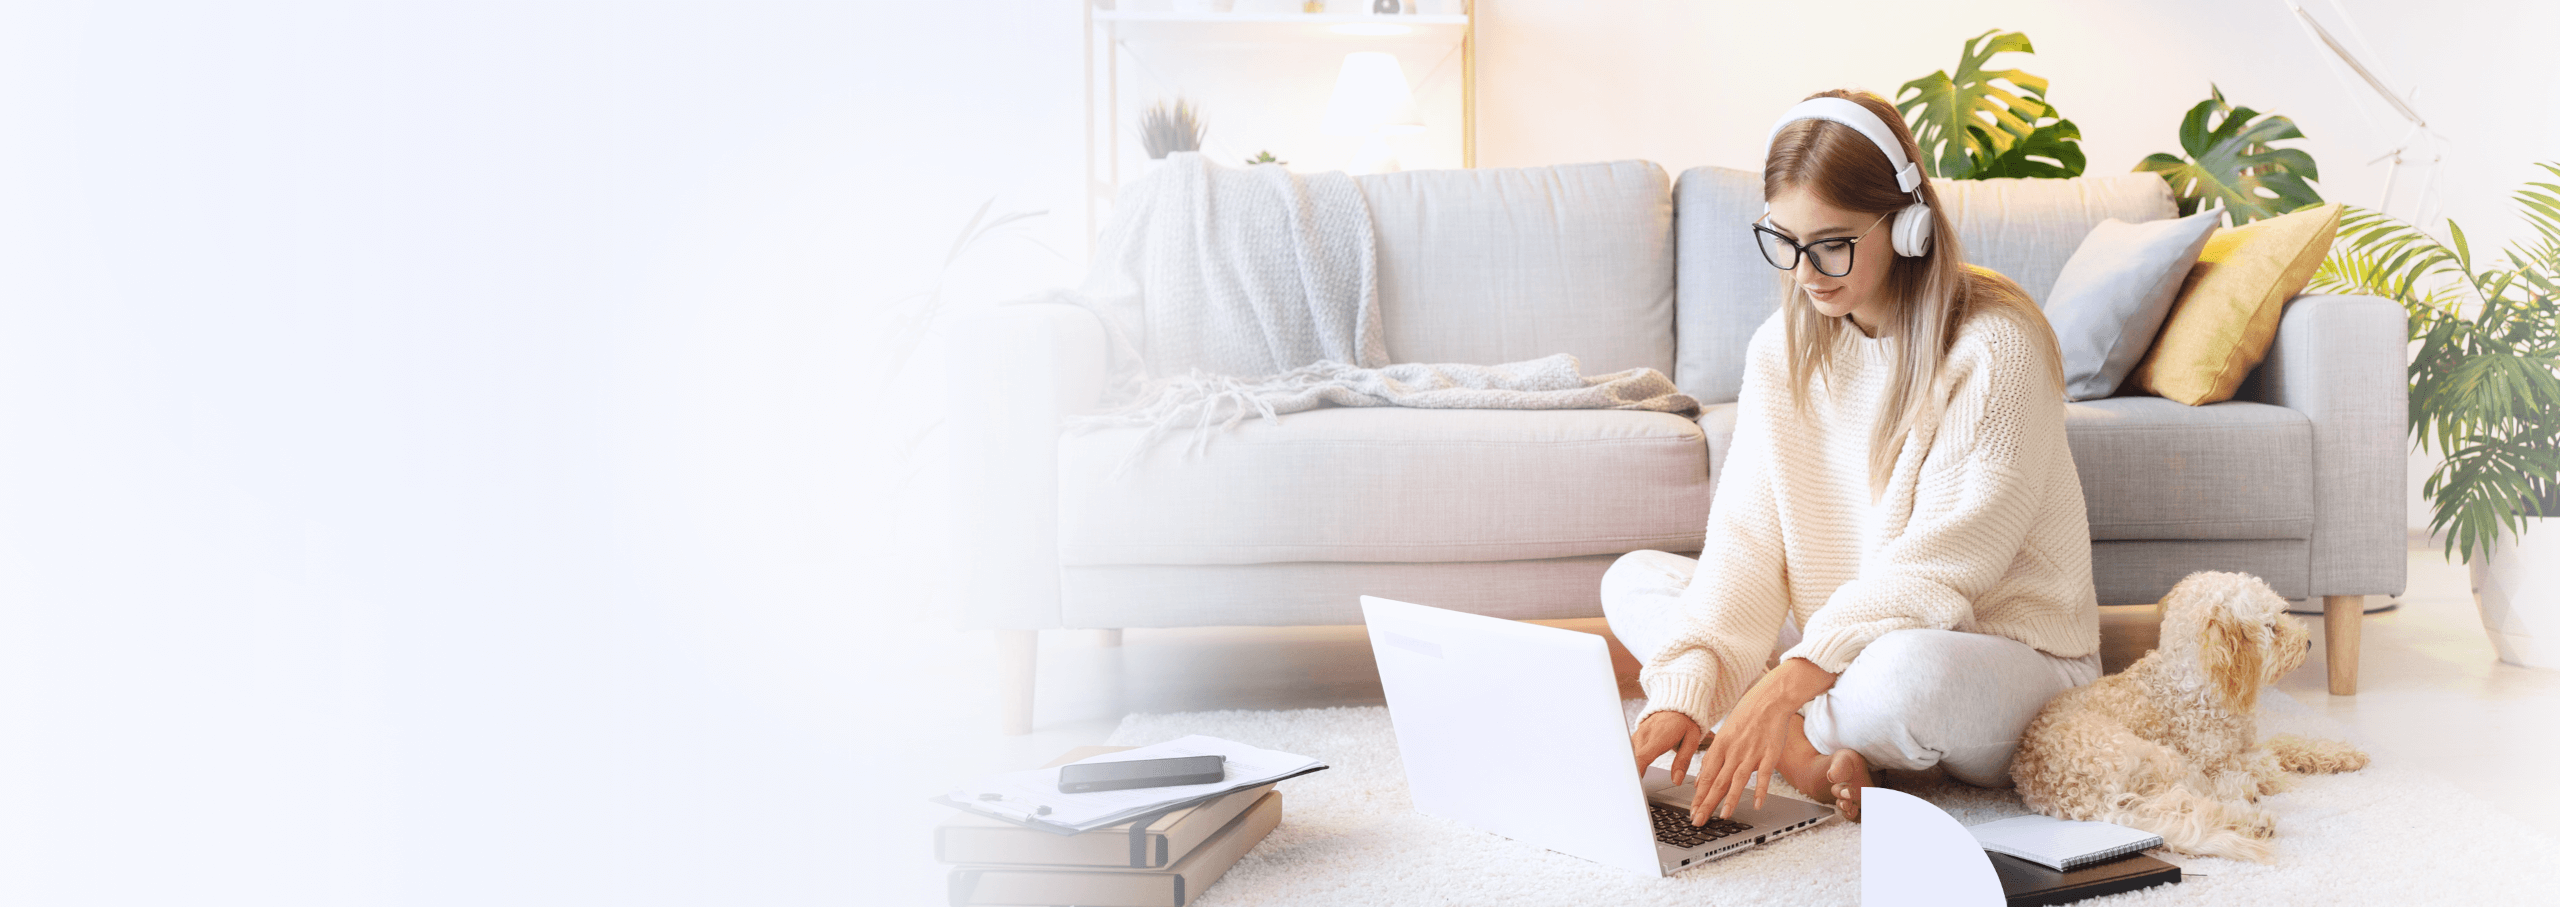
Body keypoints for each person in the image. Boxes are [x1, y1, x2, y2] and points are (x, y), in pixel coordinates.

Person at [1609, 89, 2102, 826]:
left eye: (1832, 243)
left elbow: (1938, 571)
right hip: (1845, 638)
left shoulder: (1995, 348)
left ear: (1907, 228)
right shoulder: (1779, 349)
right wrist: (1680, 694)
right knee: (1635, 579)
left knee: (1909, 678)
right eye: (1785, 241)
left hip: (1995, 650)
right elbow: (1746, 546)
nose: (1806, 273)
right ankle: (1807, 744)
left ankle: (1787, 733)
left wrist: (1777, 688)